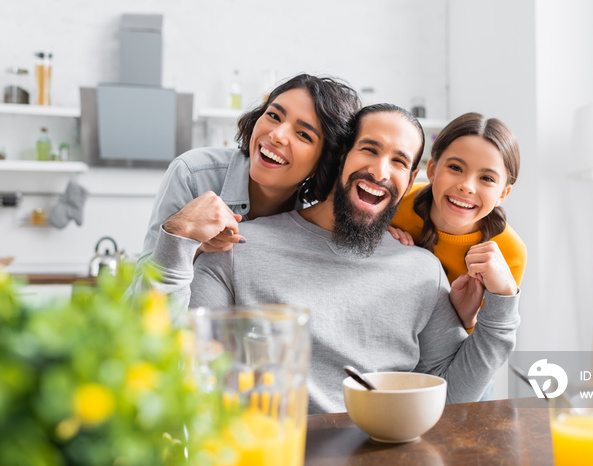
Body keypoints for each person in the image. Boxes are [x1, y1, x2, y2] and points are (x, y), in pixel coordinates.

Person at [149, 104, 520, 414]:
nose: (379, 171)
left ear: (410, 181)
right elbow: (181, 371)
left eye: (398, 162)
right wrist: (176, 242)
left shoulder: (423, 270)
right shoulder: (235, 250)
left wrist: (501, 308)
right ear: (340, 156)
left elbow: (451, 400)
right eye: (369, 149)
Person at [128, 73, 361, 295]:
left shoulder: (316, 212)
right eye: (274, 116)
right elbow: (137, 307)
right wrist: (181, 235)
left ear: (325, 161)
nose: (277, 135)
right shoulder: (192, 175)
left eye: (303, 134)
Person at [390, 112, 526, 330]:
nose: (467, 186)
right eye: (455, 168)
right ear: (432, 170)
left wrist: (465, 318)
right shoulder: (395, 203)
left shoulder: (509, 251)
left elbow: (476, 351)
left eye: (487, 178)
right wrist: (376, 239)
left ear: (503, 194)